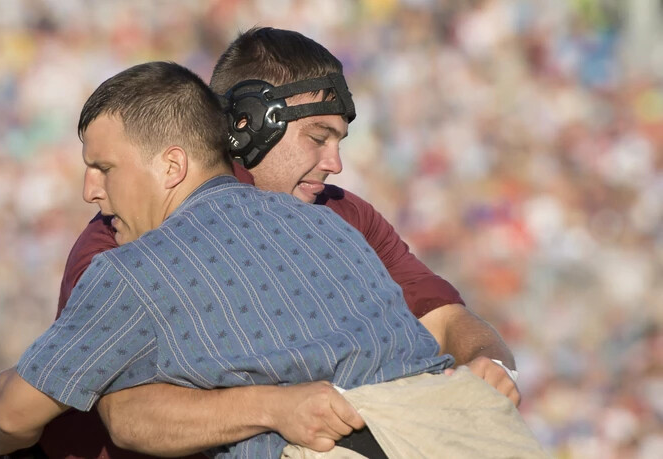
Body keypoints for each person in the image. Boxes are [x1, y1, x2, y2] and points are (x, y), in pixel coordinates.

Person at [28, 27, 521, 459]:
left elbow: (445, 319)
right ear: (248, 125)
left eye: (340, 142)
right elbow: (130, 414)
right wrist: (274, 408)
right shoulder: (124, 234)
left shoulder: (338, 212)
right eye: (318, 137)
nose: (335, 163)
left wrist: (491, 365)